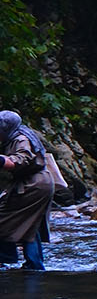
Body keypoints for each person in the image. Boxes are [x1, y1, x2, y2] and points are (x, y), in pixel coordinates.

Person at [0, 110, 63, 272]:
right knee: (30, 225)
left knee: (5, 218)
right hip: (36, 183)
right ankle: (33, 265)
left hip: (33, 185)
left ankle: (7, 258)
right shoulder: (15, 135)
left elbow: (20, 160)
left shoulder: (21, 139)